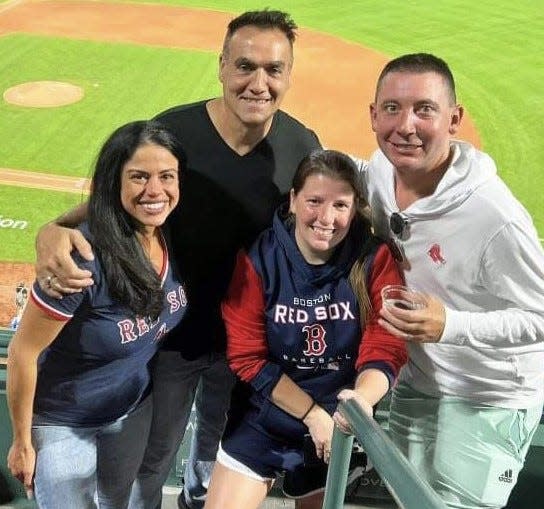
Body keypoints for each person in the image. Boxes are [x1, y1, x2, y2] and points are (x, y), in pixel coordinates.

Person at [33, 10, 321, 509]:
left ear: (289, 74)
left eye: (274, 70)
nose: (258, 83)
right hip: (166, 337)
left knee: (217, 451)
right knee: (155, 453)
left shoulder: (301, 145)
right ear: (222, 66)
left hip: (245, 347)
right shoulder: (175, 130)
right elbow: (116, 194)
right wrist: (53, 228)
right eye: (245, 66)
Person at [336, 53, 544, 509]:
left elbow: (540, 316)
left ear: (455, 119)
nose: (406, 125)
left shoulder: (495, 217)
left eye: (424, 109)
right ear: (373, 115)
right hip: (417, 384)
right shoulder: (380, 171)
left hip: (487, 400)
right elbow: (350, 175)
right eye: (391, 108)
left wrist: (451, 325)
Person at [203, 149, 407, 509]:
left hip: (336, 424)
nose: (326, 218)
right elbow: (247, 357)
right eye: (314, 201)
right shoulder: (259, 259)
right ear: (294, 200)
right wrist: (312, 414)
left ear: (355, 207)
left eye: (340, 205)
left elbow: (386, 342)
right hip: (265, 418)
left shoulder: (373, 258)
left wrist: (359, 403)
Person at [7, 120, 187, 509]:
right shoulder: (81, 259)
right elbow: (23, 351)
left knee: (117, 501)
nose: (155, 190)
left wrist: (52, 223)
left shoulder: (169, 229)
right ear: (114, 181)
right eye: (138, 177)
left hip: (131, 408)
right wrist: (22, 442)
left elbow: (142, 201)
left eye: (166, 176)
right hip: (64, 422)